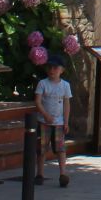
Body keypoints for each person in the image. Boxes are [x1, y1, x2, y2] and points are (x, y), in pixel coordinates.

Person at [34, 55, 72, 188]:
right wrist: (45, 115)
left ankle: (63, 173)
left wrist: (66, 122)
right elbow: (38, 102)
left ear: (62, 70)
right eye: (49, 67)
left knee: (61, 149)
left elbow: (66, 104)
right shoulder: (42, 83)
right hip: (44, 122)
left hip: (59, 122)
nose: (52, 70)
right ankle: (40, 173)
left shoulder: (65, 86)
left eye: (55, 67)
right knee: (42, 148)